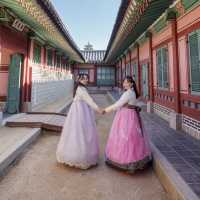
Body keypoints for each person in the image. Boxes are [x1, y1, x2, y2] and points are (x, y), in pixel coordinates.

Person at [103, 76, 152, 173]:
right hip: (131, 115)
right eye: (124, 82)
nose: (124, 84)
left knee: (124, 136)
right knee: (132, 136)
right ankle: (136, 158)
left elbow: (118, 104)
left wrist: (105, 110)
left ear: (131, 84)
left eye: (126, 83)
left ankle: (126, 161)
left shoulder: (128, 93)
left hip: (126, 116)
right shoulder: (132, 92)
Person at [56, 74, 103, 169]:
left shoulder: (80, 88)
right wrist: (98, 109)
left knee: (76, 132)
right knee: (81, 132)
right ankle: (79, 156)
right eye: (84, 79)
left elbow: (88, 100)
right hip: (81, 113)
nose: (86, 80)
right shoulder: (81, 90)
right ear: (79, 80)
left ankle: (77, 154)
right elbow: (89, 100)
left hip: (79, 111)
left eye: (86, 78)